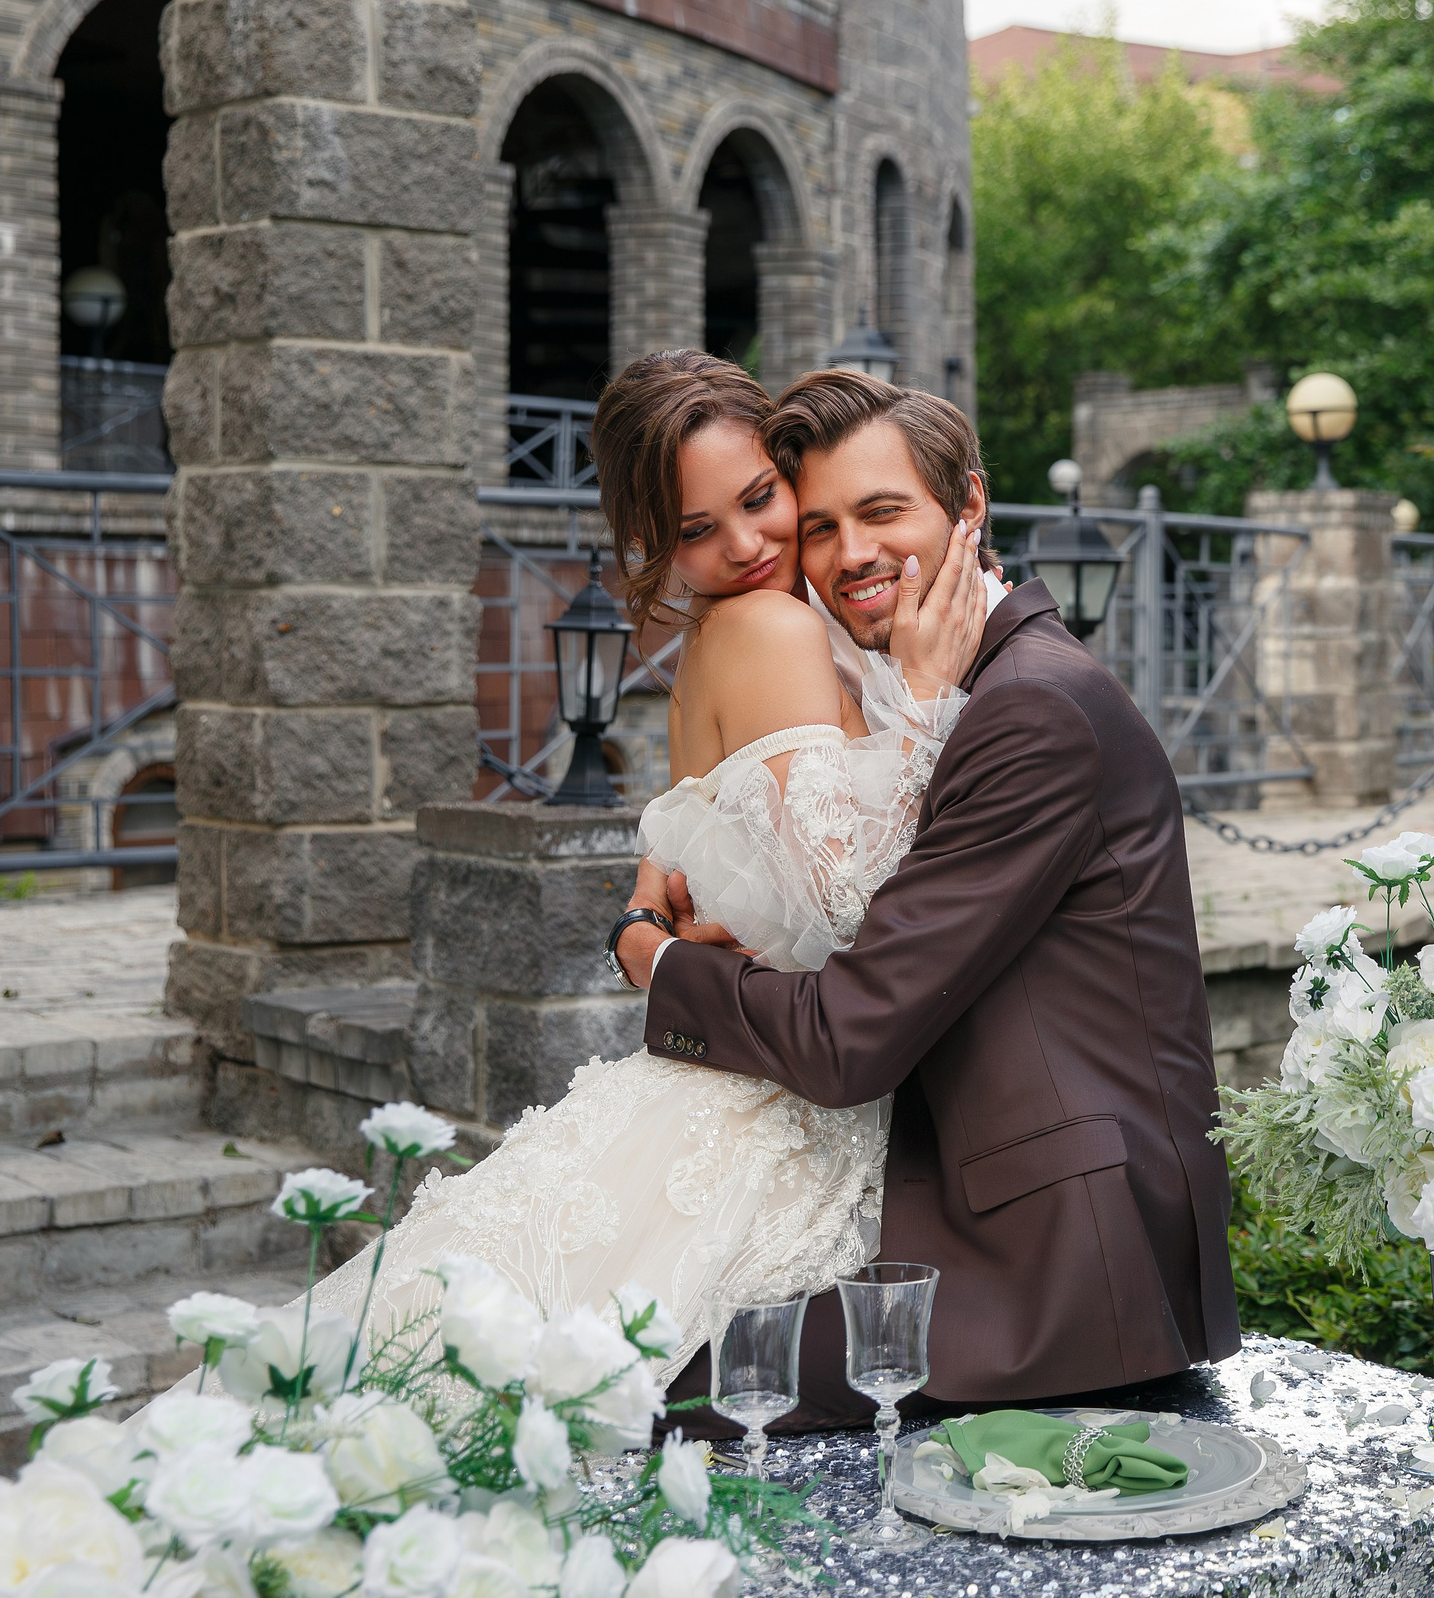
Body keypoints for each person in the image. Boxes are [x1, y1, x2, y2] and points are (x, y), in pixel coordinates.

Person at [264, 351, 991, 1386]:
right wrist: (925, 709)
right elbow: (853, 911)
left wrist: (644, 927)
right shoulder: (775, 624)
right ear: (653, 543)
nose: (746, 545)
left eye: (758, 499)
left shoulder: (726, 635)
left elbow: (698, 855)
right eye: (697, 531)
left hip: (723, 1078)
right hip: (773, 1106)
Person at [616, 369, 1239, 1434]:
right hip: (952, 1188)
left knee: (635, 1386)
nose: (848, 553)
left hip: (1059, 1268)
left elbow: (850, 1036)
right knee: (609, 1334)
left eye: (882, 512)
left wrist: (653, 957)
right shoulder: (943, 689)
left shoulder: (1026, 709)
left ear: (971, 508)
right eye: (819, 525)